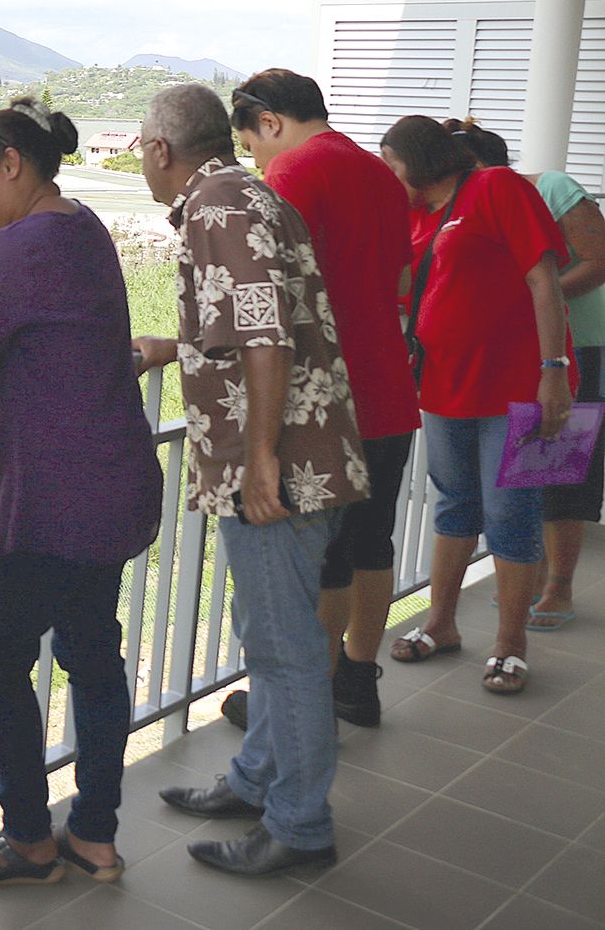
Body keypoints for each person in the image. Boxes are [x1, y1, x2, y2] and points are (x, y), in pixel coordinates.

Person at [134, 84, 368, 876]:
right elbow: (247, 323)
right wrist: (175, 346)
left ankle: (298, 823)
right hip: (295, 458)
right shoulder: (246, 194)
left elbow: (266, 336)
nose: (140, 159)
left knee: (285, 649)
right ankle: (256, 777)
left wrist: (260, 459)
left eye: (141, 146)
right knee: (268, 633)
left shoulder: (219, 207)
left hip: (276, 469)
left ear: (161, 150)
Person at [0, 97, 163, 886]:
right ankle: (93, 832)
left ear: (10, 165)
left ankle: (30, 837)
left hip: (51, 503)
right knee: (92, 652)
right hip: (113, 483)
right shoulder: (81, 226)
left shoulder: (11, 252)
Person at [219, 69, 420, 730]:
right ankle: (356, 679)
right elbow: (399, 274)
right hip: (388, 387)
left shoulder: (293, 172)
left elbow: (265, 290)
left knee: (318, 556)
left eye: (251, 144)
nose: (255, 159)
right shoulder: (381, 176)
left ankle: (307, 694)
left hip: (327, 396)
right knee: (371, 542)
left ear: (269, 122)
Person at [379, 116, 572, 696]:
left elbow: (545, 281)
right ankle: (441, 623)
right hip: (444, 388)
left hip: (521, 386)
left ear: (418, 160)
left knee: (512, 513)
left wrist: (555, 371)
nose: (388, 178)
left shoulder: (495, 187)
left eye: (391, 165)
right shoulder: (413, 216)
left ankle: (511, 645)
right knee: (455, 505)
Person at [445, 118, 605, 631]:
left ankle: (559, 585)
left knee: (561, 469)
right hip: (522, 353)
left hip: (582, 346)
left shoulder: (551, 187)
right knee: (527, 470)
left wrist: (535, 295)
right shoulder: (465, 209)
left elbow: (598, 261)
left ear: (479, 167)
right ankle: (531, 576)